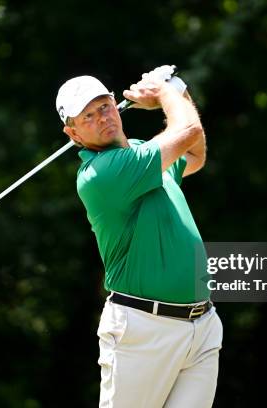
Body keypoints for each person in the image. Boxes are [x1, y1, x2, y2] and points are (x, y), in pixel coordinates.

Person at [55, 68, 223, 408]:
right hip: (143, 330)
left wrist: (178, 90)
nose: (101, 117)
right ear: (72, 133)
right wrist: (165, 92)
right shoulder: (101, 174)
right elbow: (187, 129)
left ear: (116, 106)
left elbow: (194, 153)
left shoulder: (143, 152)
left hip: (201, 324)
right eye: (87, 116)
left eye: (104, 106)